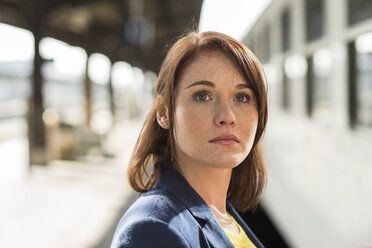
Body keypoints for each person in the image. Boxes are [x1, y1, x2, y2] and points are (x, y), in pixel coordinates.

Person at [110, 31, 268, 248]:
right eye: (203, 95)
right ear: (165, 113)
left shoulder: (223, 215)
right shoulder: (152, 229)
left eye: (242, 97)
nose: (227, 117)